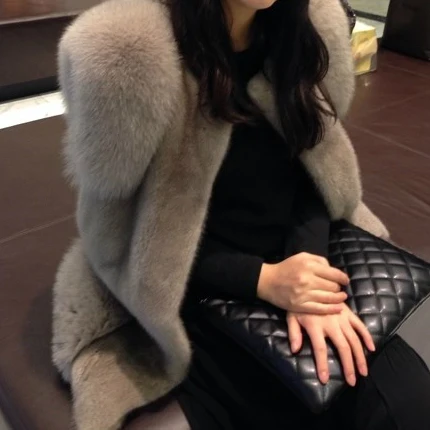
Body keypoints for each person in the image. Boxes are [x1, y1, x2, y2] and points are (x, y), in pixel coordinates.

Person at [51, 0, 430, 429]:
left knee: (406, 401)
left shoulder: (303, 27)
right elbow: (121, 237)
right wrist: (263, 280)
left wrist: (309, 273)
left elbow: (314, 171)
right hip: (191, 290)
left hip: (303, 253)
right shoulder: (130, 59)